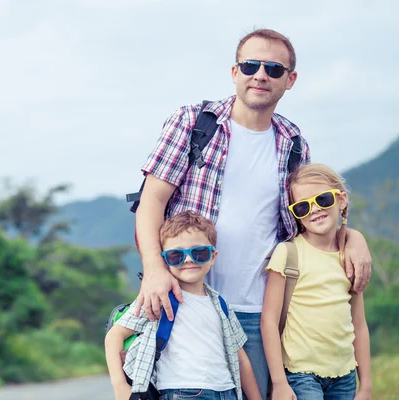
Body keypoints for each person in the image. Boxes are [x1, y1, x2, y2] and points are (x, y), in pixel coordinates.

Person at [133, 28, 372, 399]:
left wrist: (352, 236)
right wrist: (153, 269)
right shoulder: (194, 123)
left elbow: (309, 219)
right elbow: (152, 201)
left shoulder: (293, 143)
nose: (261, 74)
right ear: (235, 72)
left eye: (274, 69)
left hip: (260, 313)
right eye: (250, 65)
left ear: (289, 80)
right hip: (186, 302)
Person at [105, 211, 261, 400]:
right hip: (182, 392)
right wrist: (119, 386)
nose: (188, 259)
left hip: (226, 392)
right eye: (175, 255)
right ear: (164, 260)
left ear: (212, 257)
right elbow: (115, 335)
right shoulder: (159, 298)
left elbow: (240, 358)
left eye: (199, 253)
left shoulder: (221, 304)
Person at [261, 163, 371, 399]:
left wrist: (366, 386)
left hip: (345, 375)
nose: (314, 210)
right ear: (296, 215)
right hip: (301, 375)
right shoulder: (288, 253)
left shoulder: (348, 256)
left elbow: (359, 325)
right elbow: (269, 321)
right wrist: (279, 382)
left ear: (341, 200)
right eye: (302, 206)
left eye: (322, 200)